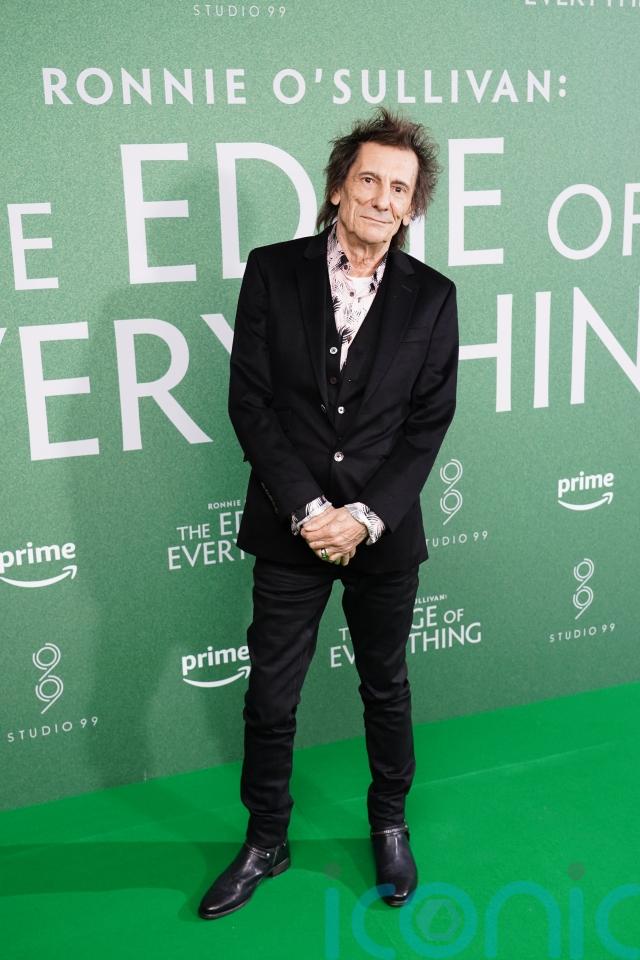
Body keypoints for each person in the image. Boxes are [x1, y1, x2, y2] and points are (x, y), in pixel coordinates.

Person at [198, 107, 459, 920]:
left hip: (383, 535)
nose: (383, 198)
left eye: (400, 188)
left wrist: (365, 517)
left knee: (386, 686)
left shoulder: (433, 297)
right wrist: (311, 509)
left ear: (413, 206)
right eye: (369, 179)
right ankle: (265, 839)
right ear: (339, 186)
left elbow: (427, 424)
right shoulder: (273, 272)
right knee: (271, 698)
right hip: (291, 526)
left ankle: (389, 825)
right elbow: (250, 402)